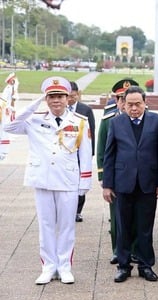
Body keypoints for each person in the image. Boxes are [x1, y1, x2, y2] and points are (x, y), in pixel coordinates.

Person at [4, 76, 92, 284]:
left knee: (66, 226)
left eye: (60, 96)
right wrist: (34, 104)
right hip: (42, 179)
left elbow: (86, 155)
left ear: (68, 98)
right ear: (46, 98)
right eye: (51, 97)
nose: (56, 101)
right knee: (46, 225)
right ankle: (48, 266)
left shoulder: (79, 122)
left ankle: (65, 266)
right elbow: (8, 127)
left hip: (67, 180)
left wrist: (84, 183)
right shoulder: (35, 120)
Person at [103, 86, 158, 283]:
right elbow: (109, 154)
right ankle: (123, 266)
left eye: (138, 104)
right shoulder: (116, 122)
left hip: (148, 183)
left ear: (145, 103)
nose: (134, 108)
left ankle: (145, 265)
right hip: (123, 183)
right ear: (123, 104)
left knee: (145, 227)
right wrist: (107, 184)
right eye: (129, 104)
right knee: (124, 226)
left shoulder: (157, 122)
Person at [97, 78, 139, 265]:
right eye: (121, 98)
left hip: (139, 177)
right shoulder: (109, 121)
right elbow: (101, 151)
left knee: (138, 216)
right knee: (117, 217)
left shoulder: (145, 119)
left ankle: (136, 250)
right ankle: (118, 249)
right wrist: (103, 177)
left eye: (127, 98)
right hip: (117, 177)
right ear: (117, 100)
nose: (124, 103)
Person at [67, 81, 96, 223]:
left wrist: (91, 153)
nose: (70, 99)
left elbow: (92, 132)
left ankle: (78, 210)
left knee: (80, 182)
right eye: (68, 96)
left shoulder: (85, 110)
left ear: (78, 95)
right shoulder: (60, 109)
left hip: (80, 152)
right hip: (66, 153)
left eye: (73, 96)